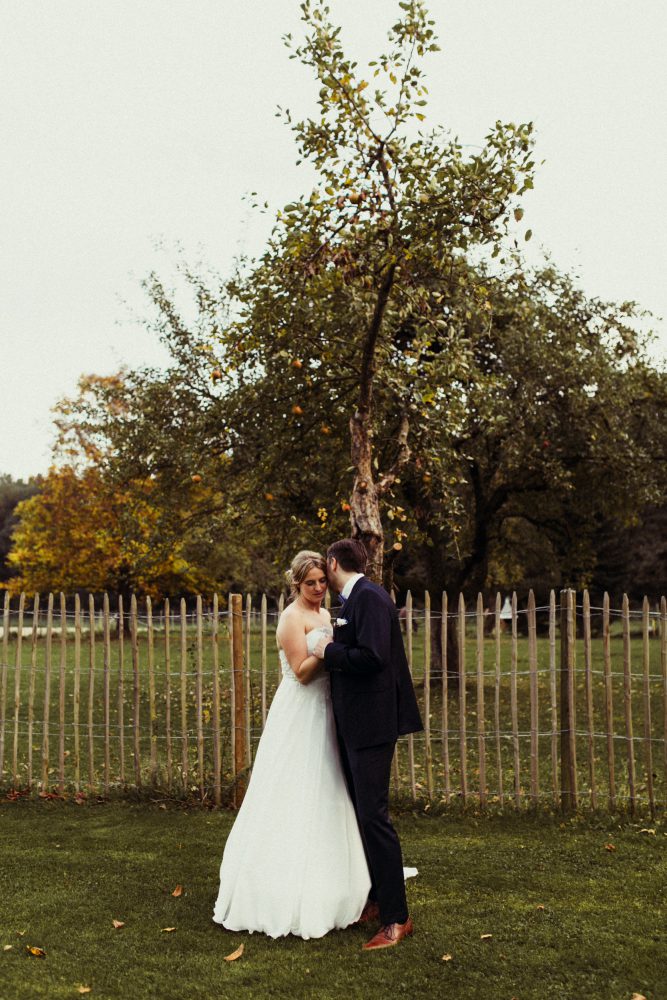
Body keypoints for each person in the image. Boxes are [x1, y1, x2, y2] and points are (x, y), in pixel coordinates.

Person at [212, 550, 371, 939]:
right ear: (296, 584)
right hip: (301, 711)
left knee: (329, 789)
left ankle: (337, 880)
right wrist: (326, 647)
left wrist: (332, 642)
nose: (318, 589)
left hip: (327, 709)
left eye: (321, 581)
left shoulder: (323, 613)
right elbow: (300, 673)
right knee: (292, 790)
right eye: (310, 583)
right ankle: (280, 884)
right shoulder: (290, 618)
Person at [312, 538, 423, 951]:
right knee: (363, 814)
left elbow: (373, 657)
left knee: (375, 818)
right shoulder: (355, 599)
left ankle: (398, 918)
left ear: (334, 562)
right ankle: (377, 899)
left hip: (373, 725)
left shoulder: (370, 598)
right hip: (357, 724)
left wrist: (329, 651)